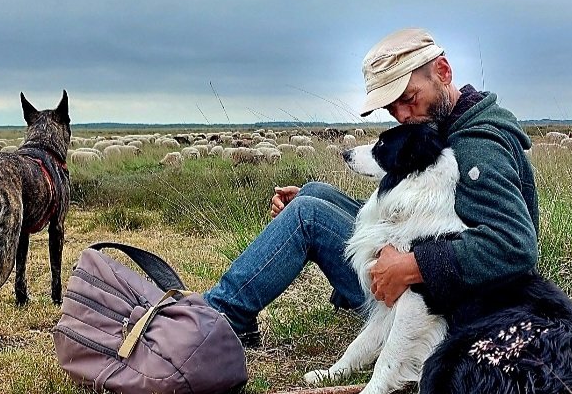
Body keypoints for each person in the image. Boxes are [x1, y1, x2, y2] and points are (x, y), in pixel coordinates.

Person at [203, 27, 539, 347]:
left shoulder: (478, 146)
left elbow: (515, 246)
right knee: (313, 195)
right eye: (391, 107)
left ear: (443, 71)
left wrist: (411, 265)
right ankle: (224, 308)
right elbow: (431, 215)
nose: (403, 115)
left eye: (409, 98)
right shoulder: (448, 125)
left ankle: (217, 318)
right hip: (430, 278)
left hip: (441, 304)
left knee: (309, 216)